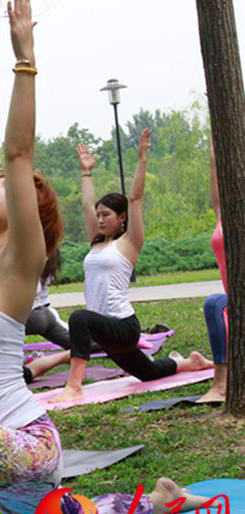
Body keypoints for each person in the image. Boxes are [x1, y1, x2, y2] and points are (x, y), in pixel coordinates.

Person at [0, 11, 216, 514]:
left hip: (25, 445)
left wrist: (25, 61)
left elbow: (18, 155)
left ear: (28, 217)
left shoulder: (20, 264)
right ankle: (162, 500)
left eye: (2, 188)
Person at [52, 132, 212, 401]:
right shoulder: (96, 242)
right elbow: (86, 205)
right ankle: (190, 362)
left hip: (123, 326)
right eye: (99, 215)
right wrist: (86, 173)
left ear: (122, 217)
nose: (100, 219)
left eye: (106, 215)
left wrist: (142, 158)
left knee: (79, 318)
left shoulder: (129, 243)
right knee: (147, 372)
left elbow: (136, 198)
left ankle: (74, 386)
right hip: (106, 331)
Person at [199, 140, 227, 403]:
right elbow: (217, 193)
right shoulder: (225, 214)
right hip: (235, 303)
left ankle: (221, 384)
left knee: (215, 304)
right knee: (218, 304)